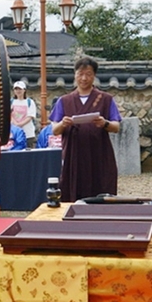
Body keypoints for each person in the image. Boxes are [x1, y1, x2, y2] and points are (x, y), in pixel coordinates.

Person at [49, 57, 121, 202]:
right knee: (73, 188)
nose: (84, 78)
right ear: (74, 75)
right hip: (73, 153)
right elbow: (54, 130)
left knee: (100, 186)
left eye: (88, 74)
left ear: (94, 76)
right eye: (80, 74)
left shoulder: (105, 99)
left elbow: (116, 127)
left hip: (99, 152)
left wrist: (104, 123)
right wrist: (63, 123)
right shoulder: (64, 101)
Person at [10, 80, 38, 148]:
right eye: (16, 89)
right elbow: (9, 114)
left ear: (24, 90)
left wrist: (19, 124)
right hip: (14, 133)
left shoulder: (30, 102)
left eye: (20, 89)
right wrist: (14, 122)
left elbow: (30, 116)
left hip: (28, 133)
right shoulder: (11, 102)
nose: (18, 91)